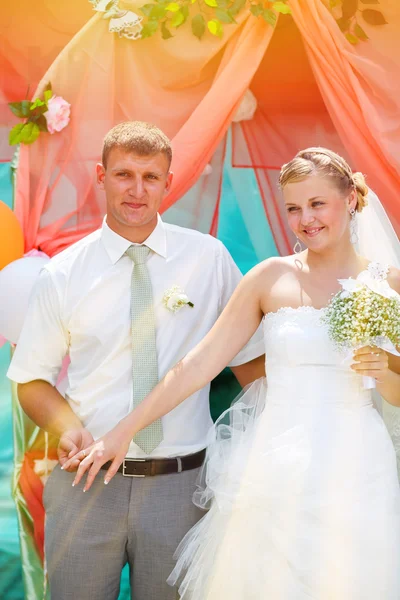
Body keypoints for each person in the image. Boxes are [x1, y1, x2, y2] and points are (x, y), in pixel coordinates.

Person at [67, 147, 400, 599]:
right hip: (277, 462)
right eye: (293, 208)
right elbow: (199, 364)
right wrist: (124, 430)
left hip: (358, 464)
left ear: (351, 201)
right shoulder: (268, 278)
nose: (306, 219)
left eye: (318, 203)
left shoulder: (388, 285)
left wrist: (384, 373)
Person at [7, 121, 265, 600]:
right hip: (86, 481)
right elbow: (31, 380)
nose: (137, 190)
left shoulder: (209, 259)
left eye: (151, 177)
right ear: (101, 177)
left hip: (183, 484)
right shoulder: (63, 273)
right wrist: (67, 427)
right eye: (124, 174)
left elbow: (251, 366)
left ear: (169, 183)